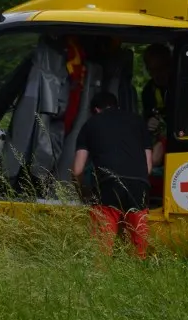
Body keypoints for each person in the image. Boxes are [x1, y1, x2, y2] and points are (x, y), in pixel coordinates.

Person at [72, 90, 153, 257]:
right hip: (139, 187)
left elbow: (78, 170)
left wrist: (83, 193)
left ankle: (101, 278)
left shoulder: (90, 124)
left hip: (108, 186)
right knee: (139, 251)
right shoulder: (138, 122)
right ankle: (140, 276)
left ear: (95, 110)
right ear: (116, 106)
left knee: (101, 253)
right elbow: (148, 167)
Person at [140, 43, 173, 191]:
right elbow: (148, 114)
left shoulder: (180, 85)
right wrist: (150, 122)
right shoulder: (148, 90)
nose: (157, 75)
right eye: (152, 70)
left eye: (160, 69)